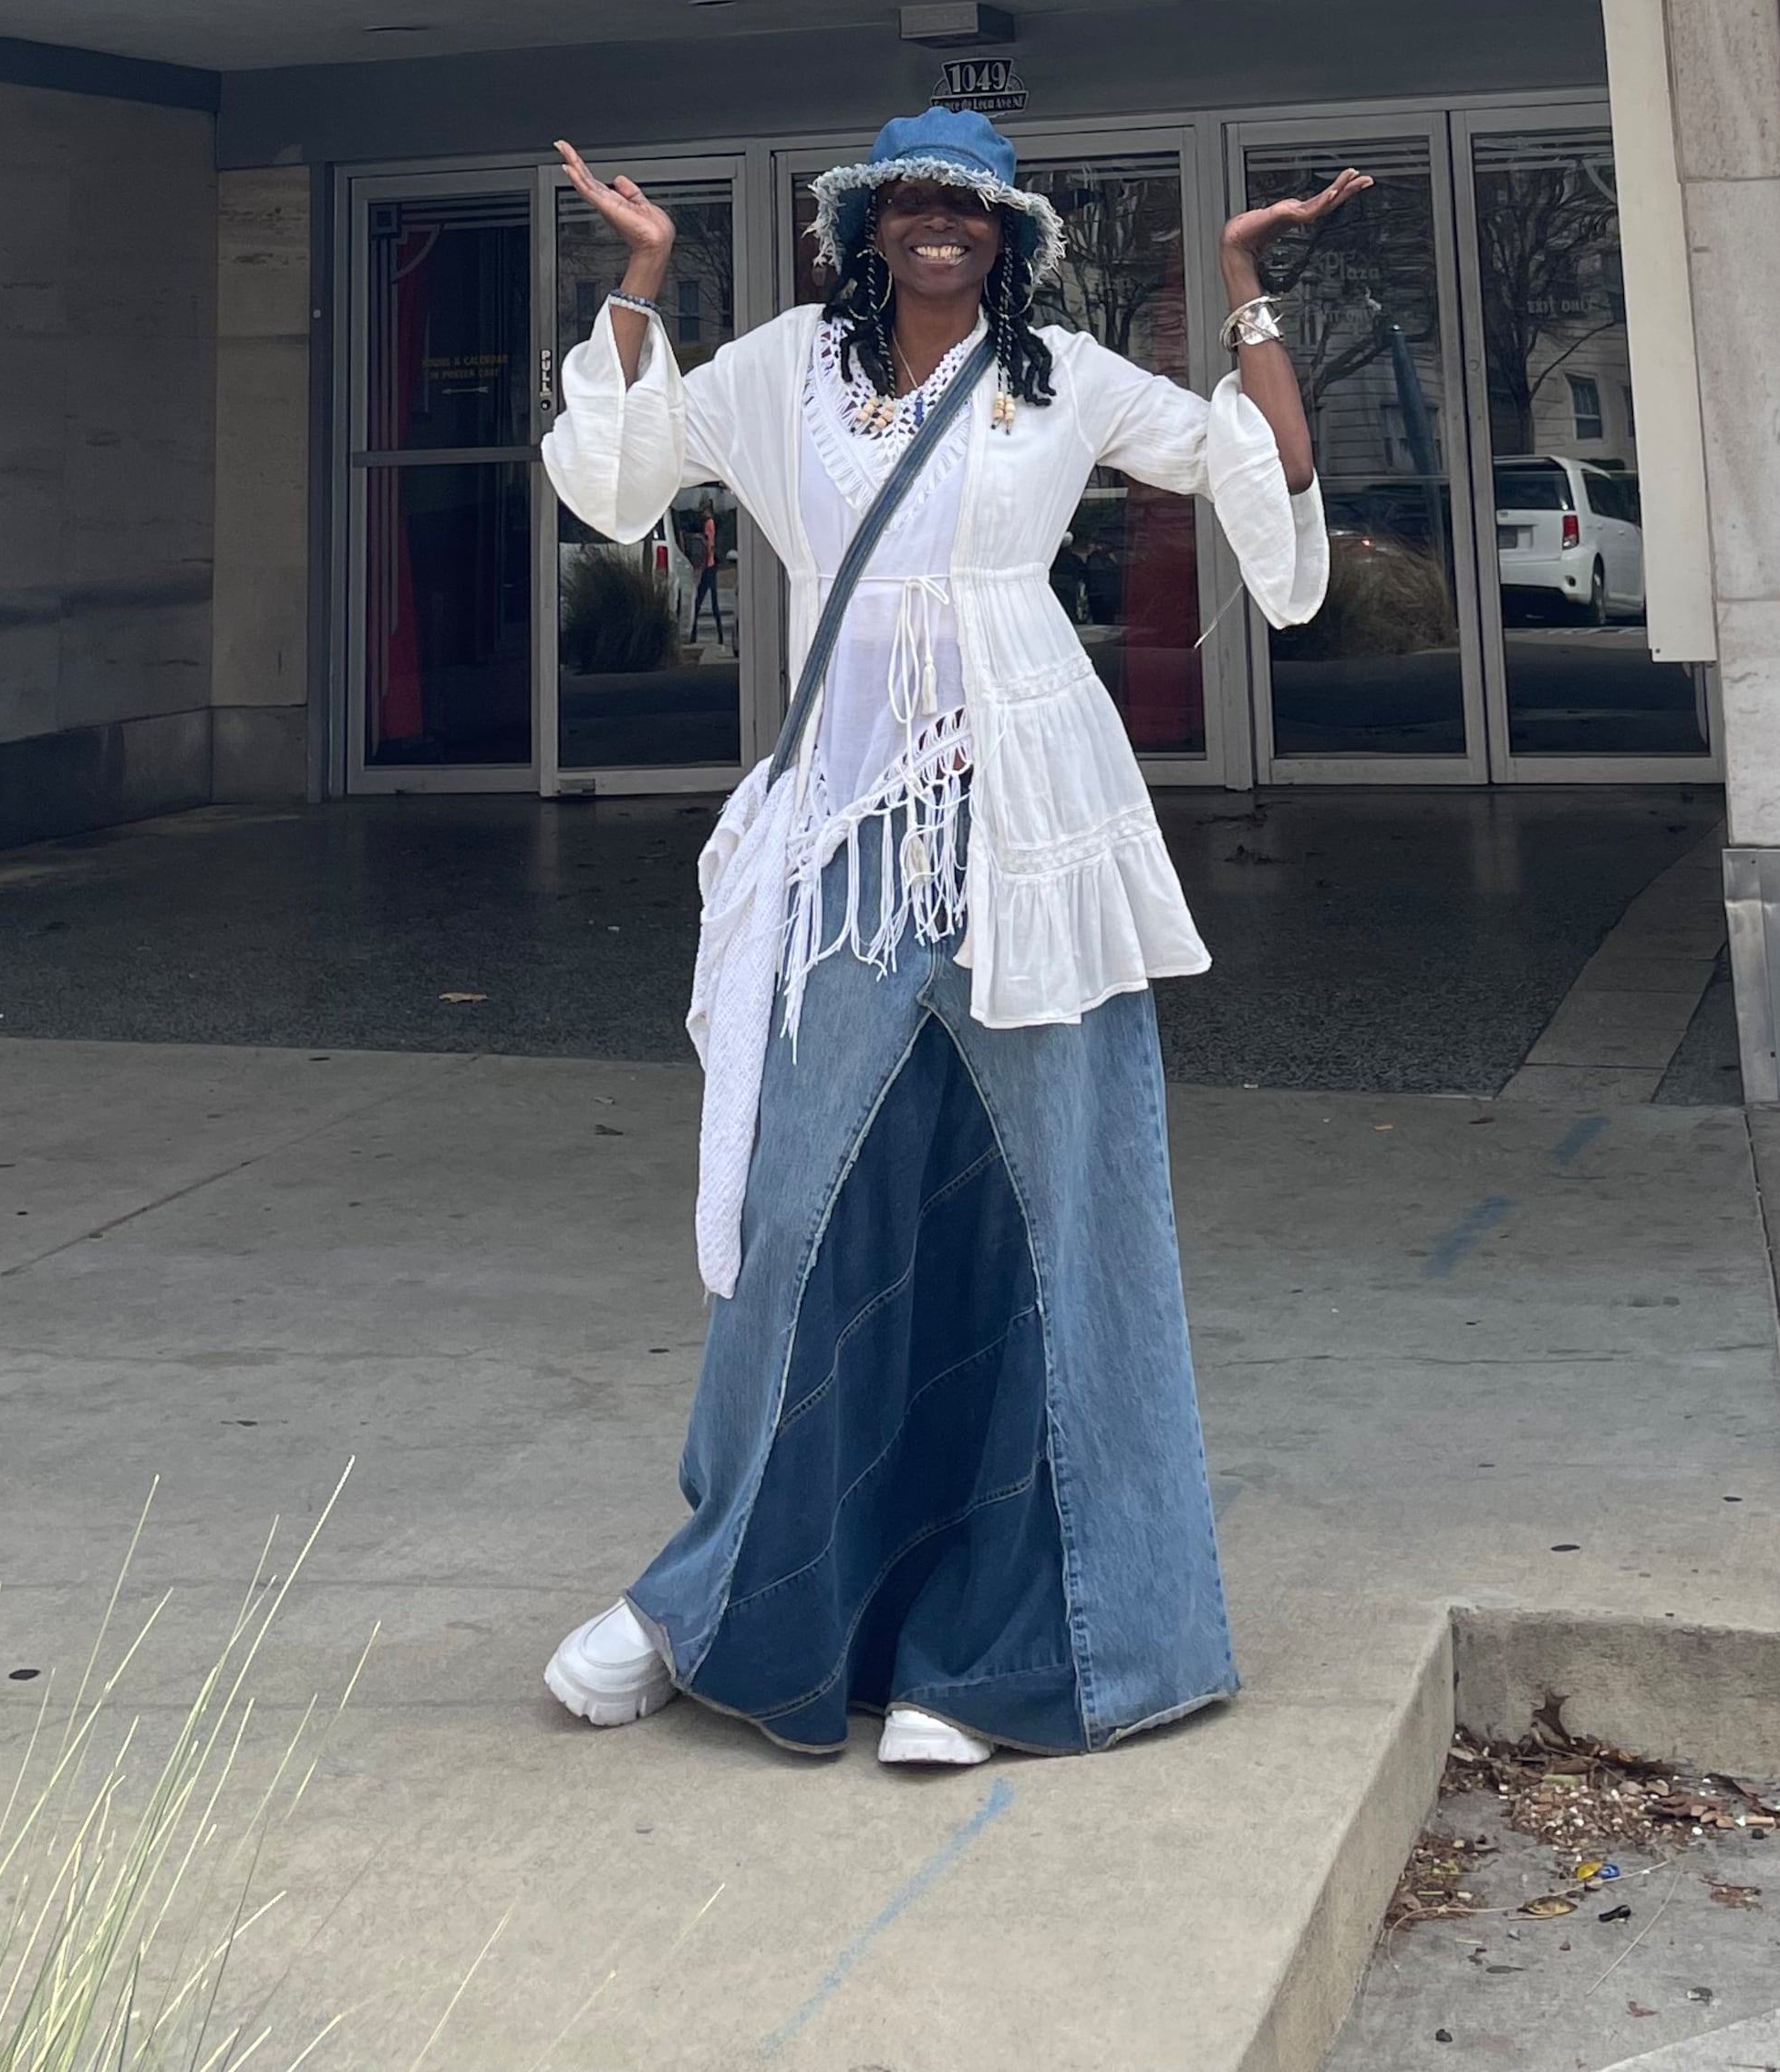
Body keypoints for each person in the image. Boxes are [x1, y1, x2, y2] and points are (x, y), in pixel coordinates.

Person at [537, 105, 1370, 1769]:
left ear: (1007, 237)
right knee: (792, 1208)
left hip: (1032, 829)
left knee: (1052, 1213)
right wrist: (638, 282)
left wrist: (1245, 291)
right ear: (868, 224)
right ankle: (711, 1596)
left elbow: (1261, 474)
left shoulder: (1061, 375)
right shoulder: (782, 369)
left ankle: (1012, 1650)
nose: (939, 229)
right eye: (911, 203)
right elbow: (624, 476)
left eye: (970, 210)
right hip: (853, 830)